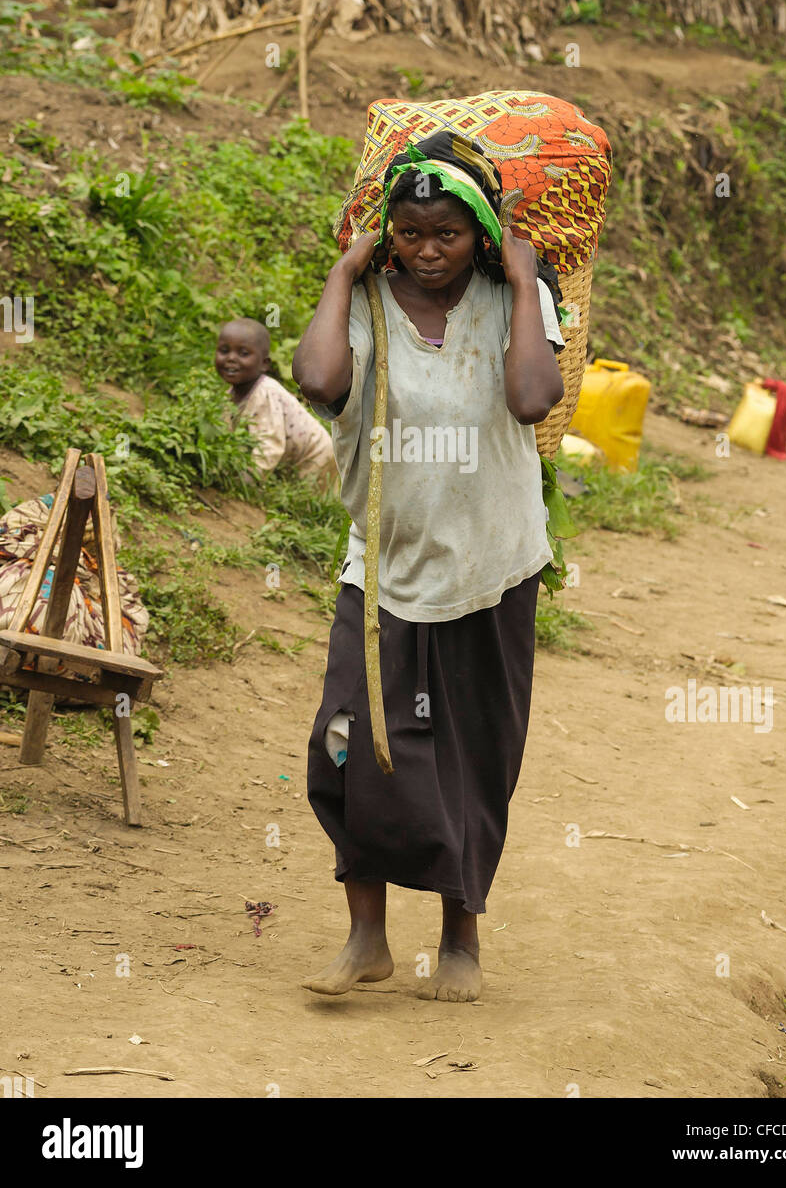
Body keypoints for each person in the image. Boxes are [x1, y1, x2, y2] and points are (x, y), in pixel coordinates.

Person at [292, 130, 565, 1002]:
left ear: (479, 231)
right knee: (347, 745)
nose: (427, 250)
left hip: (491, 566)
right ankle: (365, 937)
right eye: (409, 234)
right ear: (387, 235)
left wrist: (523, 281)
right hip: (385, 568)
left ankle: (460, 939)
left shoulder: (510, 298)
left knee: (471, 753)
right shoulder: (368, 300)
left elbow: (530, 397)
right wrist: (342, 272)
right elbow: (317, 377)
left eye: (445, 233)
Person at [215, 318, 335, 488]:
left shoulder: (265, 394)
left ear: (264, 364)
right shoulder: (229, 396)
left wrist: (245, 482)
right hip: (292, 458)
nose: (231, 359)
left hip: (315, 455)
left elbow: (270, 446)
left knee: (304, 502)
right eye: (224, 351)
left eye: (243, 353)